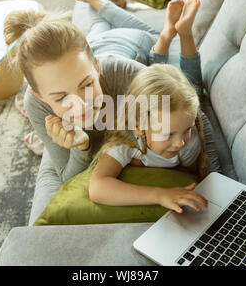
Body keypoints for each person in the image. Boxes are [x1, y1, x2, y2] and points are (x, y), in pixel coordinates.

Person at [3, 0, 219, 185]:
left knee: (156, 43)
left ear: (96, 69)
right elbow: (66, 178)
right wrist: (82, 147)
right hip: (94, 45)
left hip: (132, 43)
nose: (81, 104)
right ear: (38, 95)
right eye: (60, 98)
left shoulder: (124, 74)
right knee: (98, 27)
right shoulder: (38, 104)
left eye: (87, 85)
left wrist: (215, 180)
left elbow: (196, 115)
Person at [89, 64, 208, 214]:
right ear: (138, 127)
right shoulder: (125, 142)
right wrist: (160, 195)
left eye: (187, 130)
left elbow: (188, 176)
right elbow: (97, 188)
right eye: (167, 134)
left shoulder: (190, 143)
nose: (180, 143)